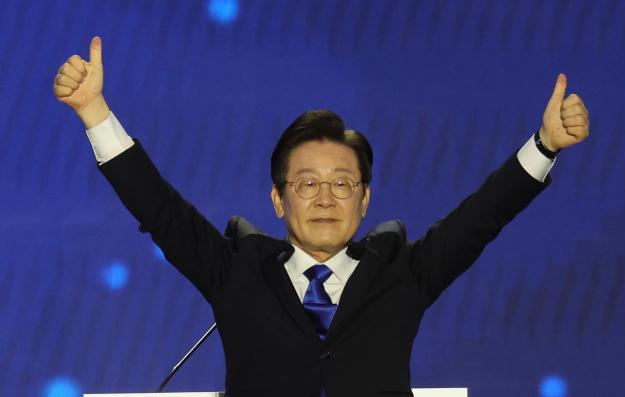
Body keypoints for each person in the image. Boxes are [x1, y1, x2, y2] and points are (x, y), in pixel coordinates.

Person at [53, 37, 590, 397]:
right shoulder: (236, 271)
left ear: (365, 200)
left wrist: (545, 145)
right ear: (278, 201)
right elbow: (159, 209)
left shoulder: (403, 273)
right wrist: (94, 112)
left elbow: (482, 217)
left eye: (342, 184)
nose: (326, 199)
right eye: (307, 184)